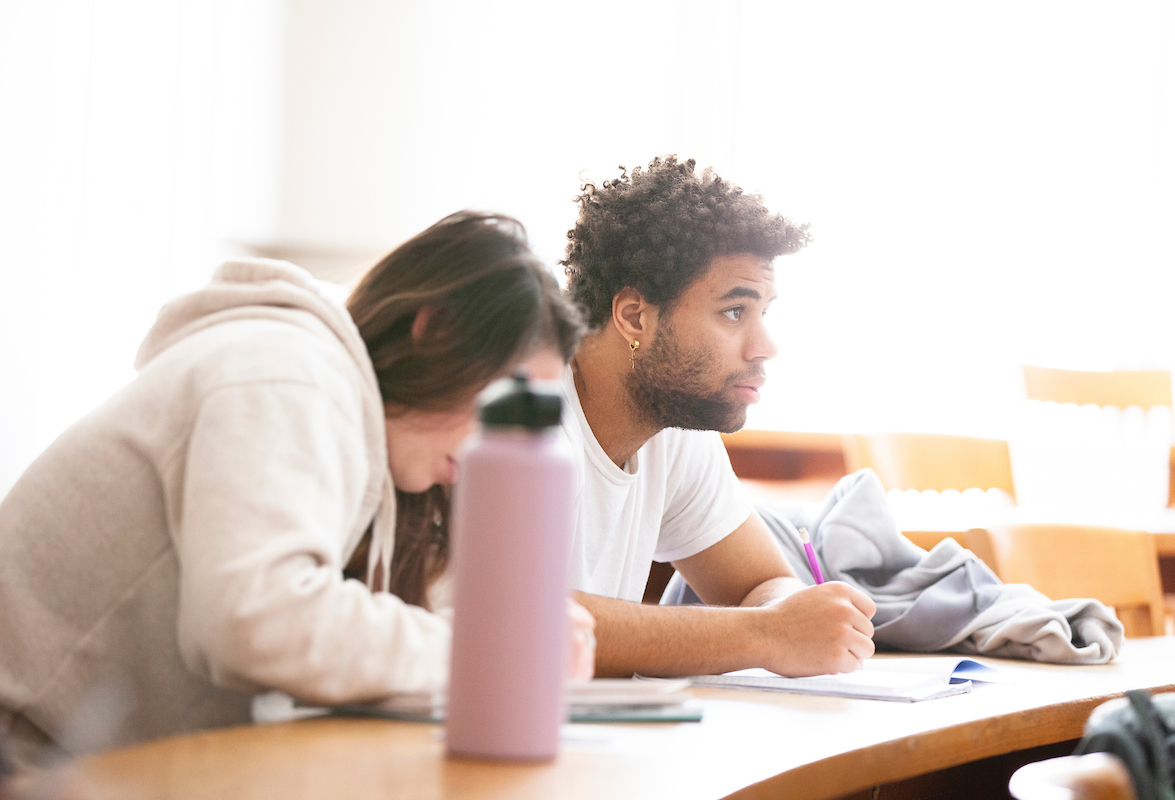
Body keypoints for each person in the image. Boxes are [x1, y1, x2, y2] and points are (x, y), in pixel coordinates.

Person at [0, 211, 590, 770]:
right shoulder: (288, 372)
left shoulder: (355, 420)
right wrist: (496, 649)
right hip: (26, 758)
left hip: (87, 757)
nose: (491, 448)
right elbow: (257, 621)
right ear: (435, 330)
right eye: (492, 406)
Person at [560, 156, 877, 678]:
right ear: (634, 316)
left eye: (764, 312)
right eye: (735, 311)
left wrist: (794, 617)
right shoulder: (523, 415)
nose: (765, 346)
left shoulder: (671, 427)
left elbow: (760, 585)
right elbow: (516, 621)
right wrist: (768, 634)